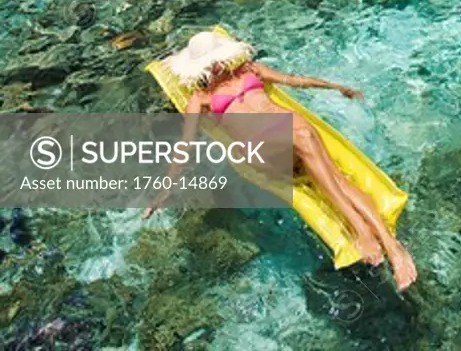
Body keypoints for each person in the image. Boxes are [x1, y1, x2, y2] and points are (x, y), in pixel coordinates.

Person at [143, 30, 417, 291]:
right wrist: (165, 187)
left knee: (331, 171)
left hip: (296, 135)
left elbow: (295, 80)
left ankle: (391, 246)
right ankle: (370, 235)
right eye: (209, 64)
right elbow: (186, 143)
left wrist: (337, 87)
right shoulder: (200, 98)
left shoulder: (250, 70)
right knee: (313, 151)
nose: (216, 67)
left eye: (217, 59)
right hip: (268, 154)